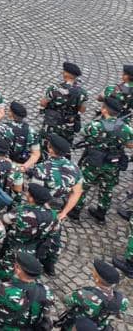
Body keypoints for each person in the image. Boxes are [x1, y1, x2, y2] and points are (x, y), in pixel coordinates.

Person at [76, 95, 133, 223]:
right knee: (107, 188)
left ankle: (75, 210)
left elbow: (83, 132)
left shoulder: (96, 125)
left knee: (84, 185)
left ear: (104, 110)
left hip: (94, 161)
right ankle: (101, 214)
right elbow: (130, 144)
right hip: (112, 163)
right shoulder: (125, 128)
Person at [0, 251, 54, 331]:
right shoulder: (46, 291)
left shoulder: (5, 289)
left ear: (17, 269)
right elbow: (46, 313)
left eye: (16, 265)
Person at [57, 259, 129, 330]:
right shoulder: (123, 301)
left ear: (97, 279)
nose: (92, 272)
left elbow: (66, 299)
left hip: (80, 327)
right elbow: (119, 314)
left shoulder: (84, 295)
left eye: (94, 273)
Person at [40, 61, 88, 153]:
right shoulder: (82, 93)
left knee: (46, 145)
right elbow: (82, 110)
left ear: (66, 74)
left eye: (64, 71)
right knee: (64, 148)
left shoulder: (54, 89)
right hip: (68, 125)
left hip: (52, 123)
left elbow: (43, 103)